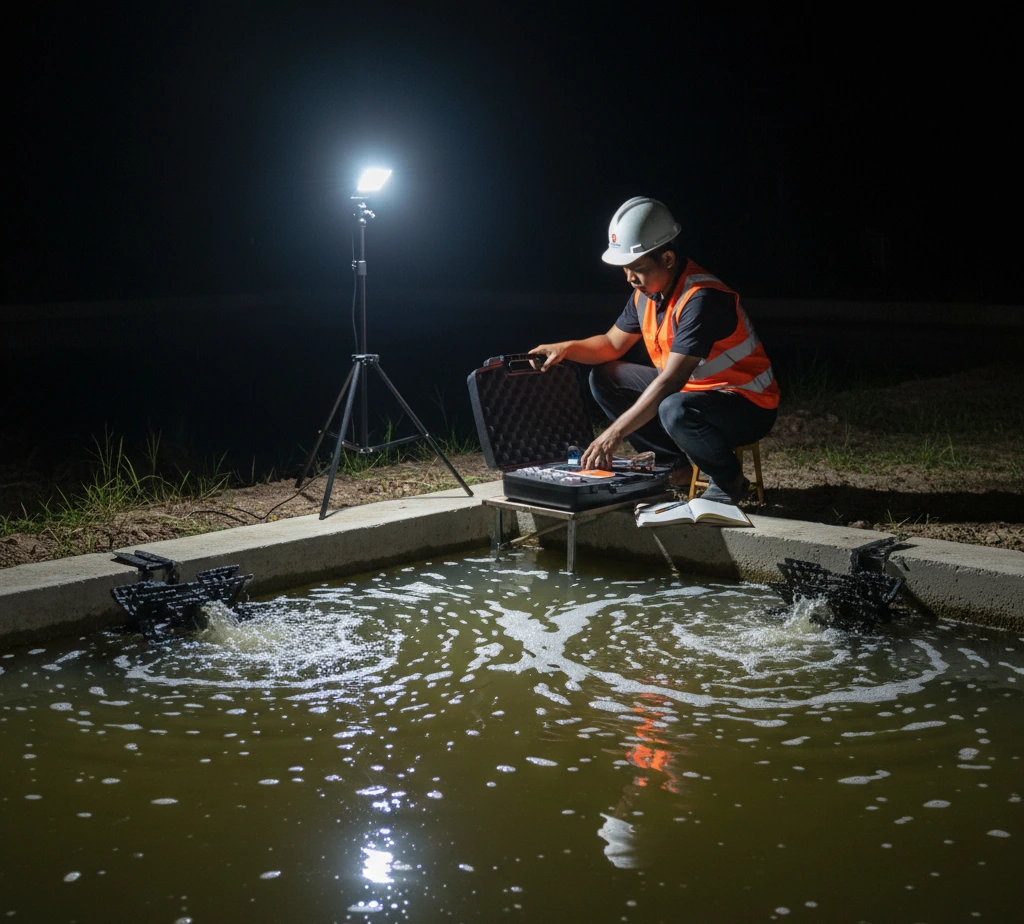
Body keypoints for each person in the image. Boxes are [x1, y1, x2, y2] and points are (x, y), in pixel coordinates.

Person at [529, 196, 779, 504]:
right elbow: (611, 346)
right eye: (625, 270)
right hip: (694, 393)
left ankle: (730, 480)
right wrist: (565, 348)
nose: (631, 279)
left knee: (673, 408)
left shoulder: (702, 298)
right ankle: (677, 466)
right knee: (605, 377)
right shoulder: (648, 293)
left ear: (668, 259)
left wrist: (615, 433)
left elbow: (670, 381)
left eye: (638, 269)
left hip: (746, 405)